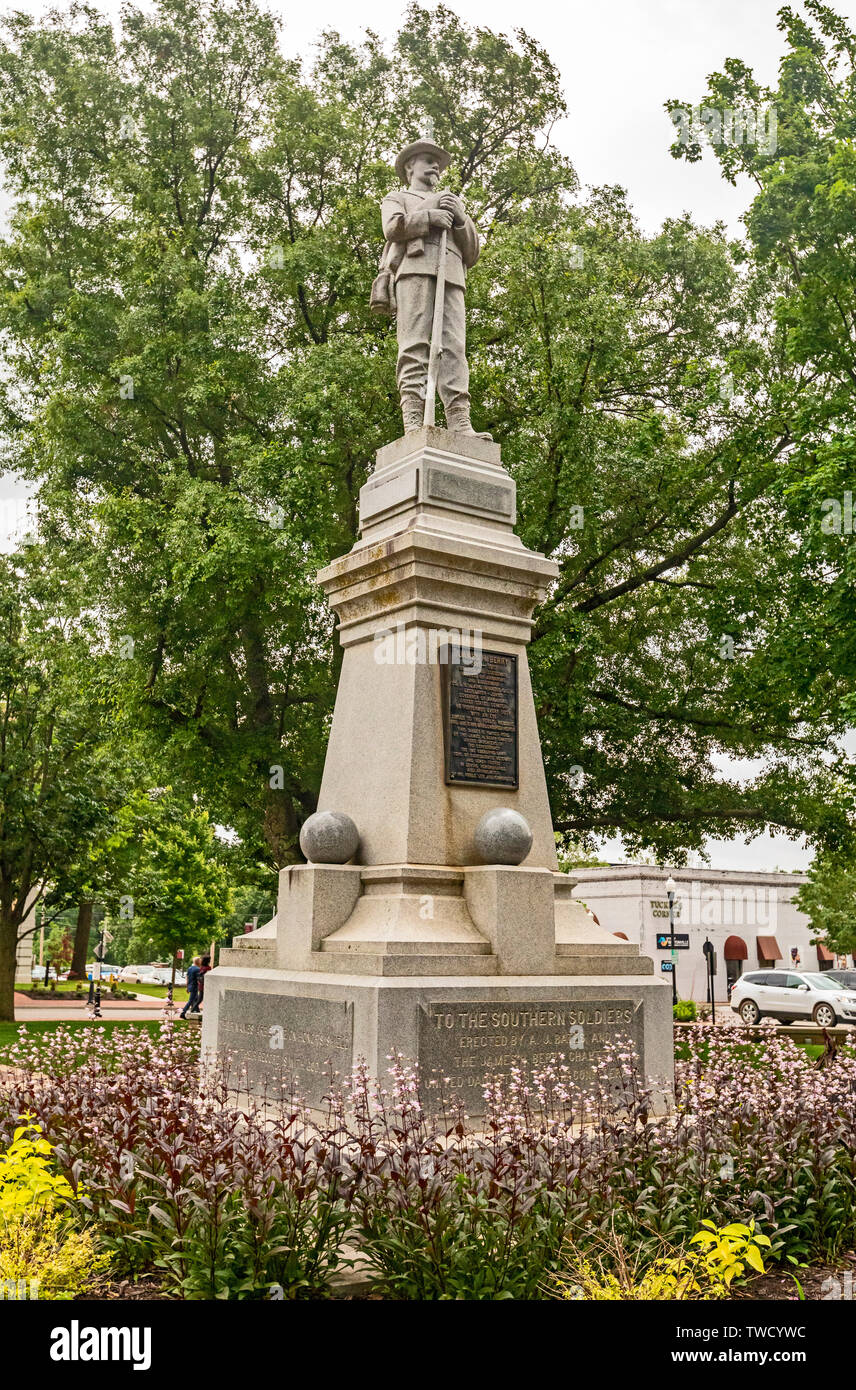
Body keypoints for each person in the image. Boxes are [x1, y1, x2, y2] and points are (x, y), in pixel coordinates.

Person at [374, 136, 489, 438]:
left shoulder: (454, 204)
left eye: (438, 161)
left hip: (452, 277)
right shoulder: (396, 197)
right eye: (428, 159)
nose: (436, 165)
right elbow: (392, 227)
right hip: (414, 271)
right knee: (414, 346)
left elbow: (472, 252)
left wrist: (460, 218)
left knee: (454, 349)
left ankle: (460, 422)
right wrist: (429, 216)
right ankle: (413, 420)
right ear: (410, 166)